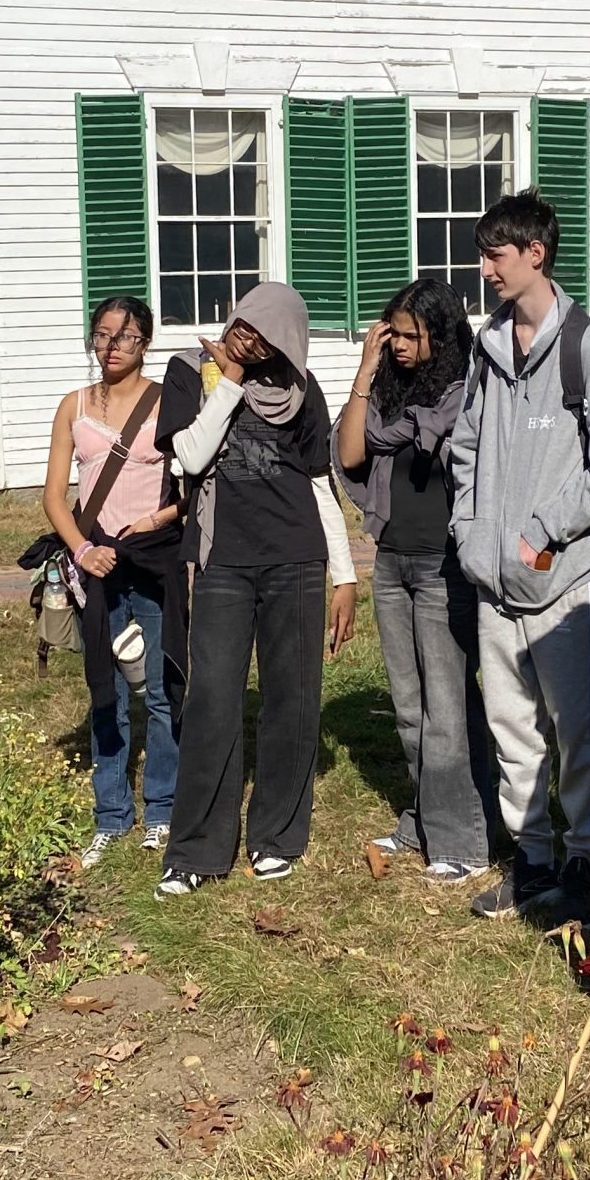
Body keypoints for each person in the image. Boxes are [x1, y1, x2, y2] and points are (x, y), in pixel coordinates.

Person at [447, 191, 590, 927]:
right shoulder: (487, 346)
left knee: (578, 731)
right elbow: (466, 445)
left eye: (497, 252)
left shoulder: (585, 344)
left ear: (536, 253)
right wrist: (472, 532)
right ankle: (532, 865)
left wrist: (543, 533)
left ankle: (583, 871)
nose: (485, 266)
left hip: (568, 578)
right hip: (493, 579)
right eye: (483, 251)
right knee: (511, 728)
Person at [154, 283, 358, 896]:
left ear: (286, 343)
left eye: (263, 333)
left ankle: (278, 836)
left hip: (295, 558)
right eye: (243, 322)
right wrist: (231, 376)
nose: (246, 336)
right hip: (221, 561)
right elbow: (189, 458)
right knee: (212, 698)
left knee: (291, 698)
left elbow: (319, 484)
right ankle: (195, 850)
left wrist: (344, 574)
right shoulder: (190, 372)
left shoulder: (302, 391)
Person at [337, 276, 487, 885]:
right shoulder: (388, 393)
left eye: (409, 334)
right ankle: (427, 818)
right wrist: (363, 373)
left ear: (440, 332)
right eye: (391, 332)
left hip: (443, 562)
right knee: (408, 706)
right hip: (392, 561)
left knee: (447, 708)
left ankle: (463, 842)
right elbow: (350, 455)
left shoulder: (467, 393)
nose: (398, 344)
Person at [41, 295, 181, 865]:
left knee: (163, 686)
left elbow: (192, 487)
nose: (111, 347)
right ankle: (112, 813)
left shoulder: (168, 403)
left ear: (144, 342)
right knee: (106, 688)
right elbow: (53, 495)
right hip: (94, 560)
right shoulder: (73, 405)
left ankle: (164, 809)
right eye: (101, 335)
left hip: (153, 556)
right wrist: (82, 549)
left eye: (123, 337)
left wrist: (153, 522)